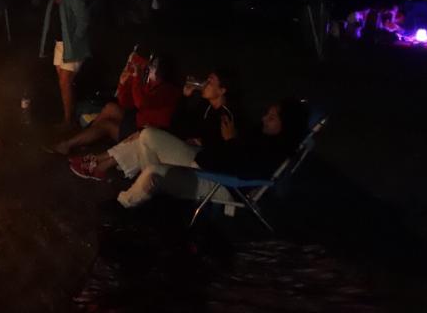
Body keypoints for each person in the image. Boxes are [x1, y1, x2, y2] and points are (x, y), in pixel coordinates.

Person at [115, 99, 309, 209]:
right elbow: (225, 149)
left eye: (272, 118)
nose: (265, 118)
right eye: (267, 113)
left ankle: (124, 205)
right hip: (202, 160)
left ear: (286, 126)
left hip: (219, 182)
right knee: (148, 135)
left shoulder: (274, 151)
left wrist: (231, 141)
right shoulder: (260, 132)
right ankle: (151, 197)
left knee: (153, 172)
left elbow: (241, 169)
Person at [69, 68, 238, 180]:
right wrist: (185, 98)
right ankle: (101, 165)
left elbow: (223, 146)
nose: (205, 84)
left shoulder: (225, 115)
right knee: (144, 136)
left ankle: (99, 161)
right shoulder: (205, 106)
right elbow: (179, 123)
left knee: (146, 135)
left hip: (199, 158)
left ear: (222, 90)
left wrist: (201, 141)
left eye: (210, 82)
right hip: (186, 146)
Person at [51, 51, 180, 155]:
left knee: (106, 125)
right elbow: (126, 103)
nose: (150, 69)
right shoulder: (153, 84)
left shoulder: (168, 90)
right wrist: (123, 83)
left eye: (154, 67)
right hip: (138, 121)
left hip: (146, 133)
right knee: (111, 108)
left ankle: (68, 144)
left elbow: (141, 103)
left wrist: (136, 78)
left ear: (163, 71)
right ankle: (84, 139)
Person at [38, 0, 91, 128]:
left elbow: (84, 19)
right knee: (64, 83)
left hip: (72, 46)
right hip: (59, 45)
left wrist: (74, 40)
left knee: (64, 82)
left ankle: (68, 121)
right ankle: (70, 114)